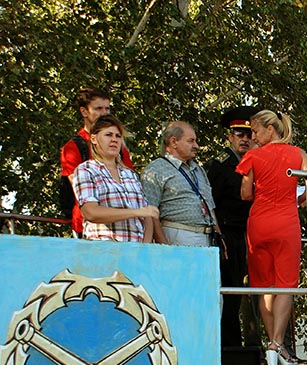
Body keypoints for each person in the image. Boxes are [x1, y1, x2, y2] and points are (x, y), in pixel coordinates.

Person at [236, 110, 307, 365]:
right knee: (285, 284)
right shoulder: (298, 154)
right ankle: (276, 343)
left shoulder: (253, 156)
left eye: (256, 131)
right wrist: (297, 198)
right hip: (286, 222)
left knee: (263, 286)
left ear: (270, 129)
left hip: (259, 223)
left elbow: (245, 193)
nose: (253, 137)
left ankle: (272, 344)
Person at [206, 106, 261, 349]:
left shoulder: (255, 163)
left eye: (249, 135)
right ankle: (230, 347)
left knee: (252, 292)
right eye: (240, 134)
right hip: (229, 234)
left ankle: (252, 346)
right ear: (230, 136)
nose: (245, 139)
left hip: (251, 233)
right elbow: (211, 204)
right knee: (229, 293)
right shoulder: (219, 165)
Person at [60, 86, 135, 237]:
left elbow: (131, 185)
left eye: (107, 109)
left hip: (124, 224)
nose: (104, 113)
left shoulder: (119, 147)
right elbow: (79, 188)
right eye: (99, 108)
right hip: (88, 224)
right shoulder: (73, 147)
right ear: (84, 112)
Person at [72, 115, 157, 242]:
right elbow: (91, 213)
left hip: (136, 249)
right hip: (103, 248)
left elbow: (147, 216)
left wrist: (145, 247)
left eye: (118, 136)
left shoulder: (130, 174)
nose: (114, 140)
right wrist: (136, 212)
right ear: (94, 139)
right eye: (108, 135)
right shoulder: (86, 170)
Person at [141, 121, 223, 247]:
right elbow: (150, 213)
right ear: (174, 142)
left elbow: (210, 207)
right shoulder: (155, 170)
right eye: (191, 141)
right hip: (178, 235)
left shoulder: (198, 170)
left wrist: (219, 237)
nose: (196, 146)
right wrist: (164, 246)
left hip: (207, 237)